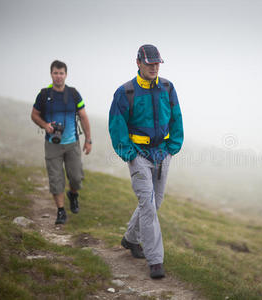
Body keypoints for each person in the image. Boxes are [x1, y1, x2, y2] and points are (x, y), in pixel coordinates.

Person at [108, 45, 183, 279]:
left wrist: (173, 147)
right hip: (138, 156)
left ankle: (130, 239)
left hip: (163, 155)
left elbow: (177, 117)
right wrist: (129, 154)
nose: (154, 67)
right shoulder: (125, 92)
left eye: (157, 63)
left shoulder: (168, 88)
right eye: (150, 63)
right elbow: (116, 125)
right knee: (148, 206)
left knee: (155, 203)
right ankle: (155, 260)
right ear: (138, 62)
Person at [31, 60, 92, 225]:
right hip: (52, 144)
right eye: (55, 73)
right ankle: (60, 211)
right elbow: (34, 114)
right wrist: (45, 125)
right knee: (56, 179)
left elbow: (84, 116)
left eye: (61, 73)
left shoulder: (73, 94)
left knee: (76, 178)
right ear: (51, 74)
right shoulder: (44, 95)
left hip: (72, 142)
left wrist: (88, 140)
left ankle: (73, 194)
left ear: (66, 74)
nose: (58, 76)